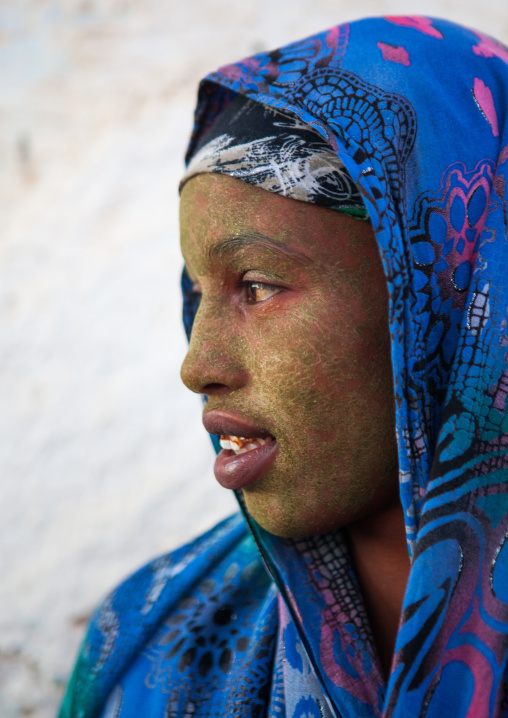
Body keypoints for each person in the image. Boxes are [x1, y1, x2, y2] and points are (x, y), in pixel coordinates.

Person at [58, 15, 508, 718]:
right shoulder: (146, 648)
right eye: (197, 292)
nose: (198, 365)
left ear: (444, 294)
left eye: (258, 286)